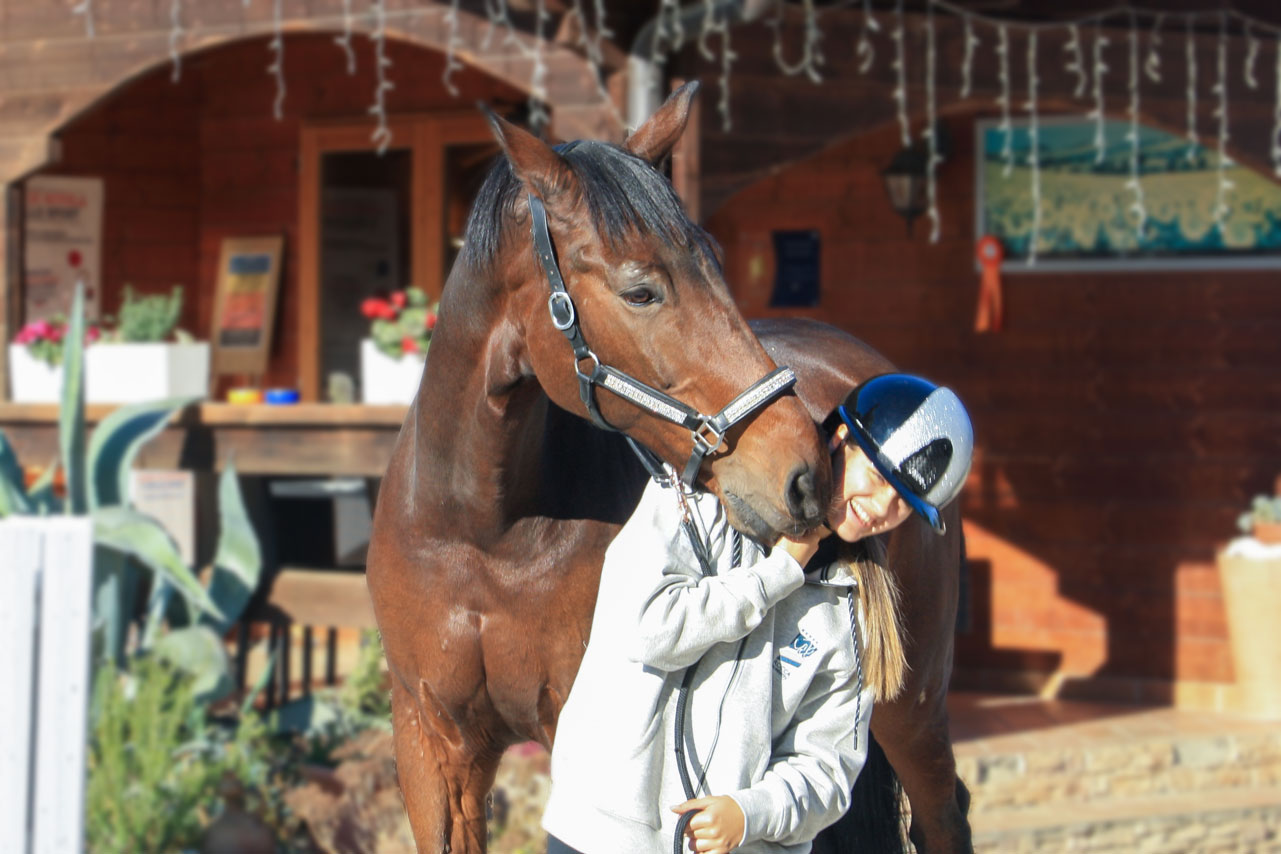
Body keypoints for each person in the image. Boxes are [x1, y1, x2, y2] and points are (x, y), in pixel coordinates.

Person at [541, 373, 974, 854]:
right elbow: (645, 629)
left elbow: (827, 771)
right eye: (877, 477)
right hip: (602, 836)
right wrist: (775, 576)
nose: (881, 509)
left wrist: (749, 814)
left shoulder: (854, 610)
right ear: (841, 438)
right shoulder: (694, 501)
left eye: (904, 502)